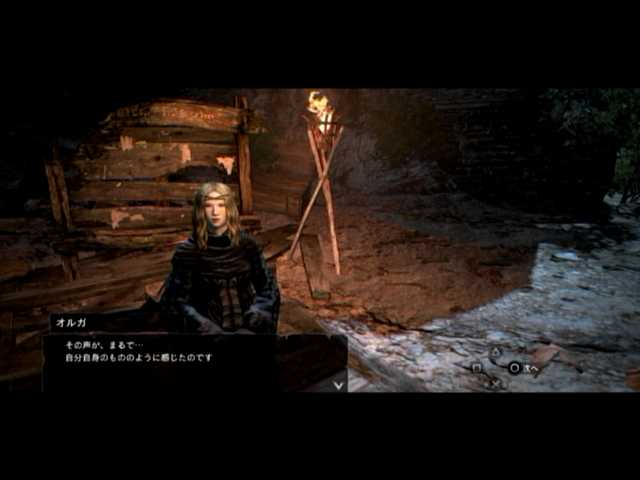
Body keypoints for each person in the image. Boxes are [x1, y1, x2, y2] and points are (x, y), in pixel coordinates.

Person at [159, 182, 280, 335]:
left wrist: (255, 318)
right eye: (208, 206)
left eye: (221, 205)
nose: (215, 212)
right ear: (200, 210)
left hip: (247, 330)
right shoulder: (188, 252)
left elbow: (267, 289)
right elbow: (177, 301)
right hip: (207, 334)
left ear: (229, 209)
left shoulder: (247, 246)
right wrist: (205, 326)